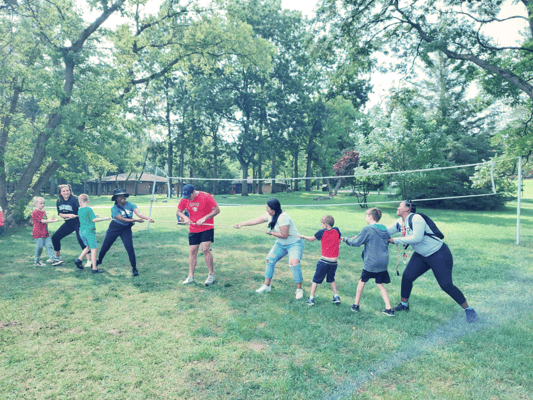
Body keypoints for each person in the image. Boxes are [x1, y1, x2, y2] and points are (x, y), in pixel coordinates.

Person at [387, 200, 478, 323]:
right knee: (407, 276)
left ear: (407, 208)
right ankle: (404, 305)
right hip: (421, 255)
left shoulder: (416, 218)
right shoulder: (400, 222)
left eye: (400, 205)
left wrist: (395, 240)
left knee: (446, 285)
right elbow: (385, 231)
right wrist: (366, 234)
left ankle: (469, 310)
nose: (398, 207)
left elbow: (417, 238)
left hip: (438, 253)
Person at [234, 198, 305, 299]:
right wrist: (241, 224)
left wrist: (271, 232)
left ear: (273, 209)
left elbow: (284, 235)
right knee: (269, 260)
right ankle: (267, 286)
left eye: (268, 208)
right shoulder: (269, 215)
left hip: (294, 243)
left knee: (294, 263)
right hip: (280, 244)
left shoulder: (283, 217)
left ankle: (299, 289)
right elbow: (255, 220)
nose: (266, 209)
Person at [342, 208, 394, 316]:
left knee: (362, 281)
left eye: (366, 216)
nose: (365, 218)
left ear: (370, 216)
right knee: (379, 283)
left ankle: (356, 305)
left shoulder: (367, 228)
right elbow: (383, 240)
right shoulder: (384, 228)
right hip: (383, 262)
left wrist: (345, 239)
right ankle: (389, 308)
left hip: (371, 262)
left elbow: (356, 243)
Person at [96, 189, 154, 277]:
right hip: (114, 228)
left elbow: (138, 213)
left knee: (129, 248)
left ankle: (134, 268)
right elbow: (122, 219)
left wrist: (148, 218)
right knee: (105, 246)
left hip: (126, 229)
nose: (123, 198)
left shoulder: (130, 204)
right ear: (116, 199)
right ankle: (99, 261)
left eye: (124, 196)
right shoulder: (114, 208)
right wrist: (135, 220)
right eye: (120, 196)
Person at [177, 184, 220, 286]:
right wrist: (185, 218)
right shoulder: (184, 198)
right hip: (193, 228)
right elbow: (179, 211)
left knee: (205, 249)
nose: (188, 199)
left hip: (207, 227)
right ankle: (191, 276)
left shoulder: (206, 196)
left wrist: (205, 218)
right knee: (192, 250)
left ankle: (211, 275)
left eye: (189, 196)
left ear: (193, 192)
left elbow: (217, 210)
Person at [300, 215, 341, 306]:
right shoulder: (337, 230)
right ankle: (336, 296)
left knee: (315, 280)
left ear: (326, 224)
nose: (321, 225)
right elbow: (339, 241)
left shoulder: (321, 232)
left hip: (324, 262)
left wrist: (303, 236)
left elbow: (311, 239)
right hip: (334, 263)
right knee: (331, 279)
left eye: (322, 224)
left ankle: (311, 298)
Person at [51, 184, 91, 267]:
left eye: (67, 190)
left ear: (70, 191)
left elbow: (81, 208)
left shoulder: (74, 199)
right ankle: (57, 258)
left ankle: (89, 260)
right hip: (69, 224)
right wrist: (69, 215)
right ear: (60, 193)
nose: (66, 192)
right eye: (64, 191)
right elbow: (61, 214)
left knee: (81, 240)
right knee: (55, 237)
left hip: (79, 223)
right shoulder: (59, 201)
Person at [74, 194, 110, 273]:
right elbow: (94, 220)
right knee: (94, 249)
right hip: (89, 232)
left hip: (81, 231)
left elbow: (87, 216)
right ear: (88, 201)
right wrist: (104, 218)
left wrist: (95, 215)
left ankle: (79, 259)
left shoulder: (80, 209)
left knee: (88, 247)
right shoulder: (89, 209)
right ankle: (94, 268)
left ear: (79, 201)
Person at [31, 197, 59, 266]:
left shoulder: (43, 211)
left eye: (43, 203)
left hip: (45, 233)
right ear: (35, 204)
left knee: (49, 246)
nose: (43, 205)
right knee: (39, 247)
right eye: (41, 203)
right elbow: (42, 221)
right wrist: (52, 221)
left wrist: (51, 219)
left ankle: (53, 260)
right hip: (38, 233)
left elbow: (45, 220)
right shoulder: (35, 212)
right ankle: (36, 261)